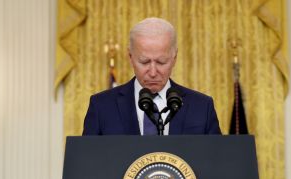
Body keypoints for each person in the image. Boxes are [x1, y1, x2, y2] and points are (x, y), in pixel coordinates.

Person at [83, 17, 221, 135]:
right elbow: (88, 161)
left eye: (161, 62)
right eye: (144, 62)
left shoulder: (202, 107)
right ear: (130, 57)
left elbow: (216, 160)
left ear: (175, 58)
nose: (153, 72)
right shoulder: (102, 106)